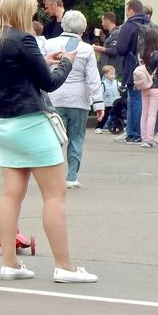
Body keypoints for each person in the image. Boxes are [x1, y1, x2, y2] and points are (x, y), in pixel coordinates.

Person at [0, 0, 97, 283]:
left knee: (11, 195)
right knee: (55, 196)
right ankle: (64, 266)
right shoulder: (24, 40)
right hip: (32, 122)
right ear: (23, 11)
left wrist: (45, 59)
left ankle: (10, 262)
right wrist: (67, 61)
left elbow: (13, 73)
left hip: (3, 124)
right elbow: (51, 83)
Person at [47, 10, 105, 186]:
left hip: (54, 96)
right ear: (83, 28)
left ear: (63, 24)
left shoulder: (49, 44)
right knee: (77, 138)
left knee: (55, 138)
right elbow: (93, 78)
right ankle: (71, 177)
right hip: (79, 99)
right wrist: (99, 103)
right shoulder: (87, 49)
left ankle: (52, 176)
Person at [114, 0, 150, 144]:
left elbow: (121, 48)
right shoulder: (149, 24)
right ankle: (145, 131)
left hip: (133, 67)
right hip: (148, 67)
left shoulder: (129, 25)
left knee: (134, 99)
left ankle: (133, 132)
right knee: (147, 101)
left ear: (131, 10)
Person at [135, 27, 158, 148]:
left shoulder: (141, 54)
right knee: (152, 113)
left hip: (144, 86)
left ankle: (144, 138)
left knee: (144, 113)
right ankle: (150, 139)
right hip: (156, 85)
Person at [93, 11, 122, 76]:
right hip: (106, 69)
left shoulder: (116, 33)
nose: (102, 23)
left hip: (110, 71)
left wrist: (100, 48)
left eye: (102, 21)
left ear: (107, 21)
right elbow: (108, 47)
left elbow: (114, 50)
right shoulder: (110, 34)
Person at [95, 65, 119, 132]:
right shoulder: (103, 84)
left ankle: (116, 126)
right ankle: (99, 127)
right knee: (105, 116)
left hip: (114, 102)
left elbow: (119, 88)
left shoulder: (116, 82)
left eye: (114, 74)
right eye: (111, 74)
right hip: (106, 103)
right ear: (105, 75)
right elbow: (100, 93)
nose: (113, 75)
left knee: (116, 115)